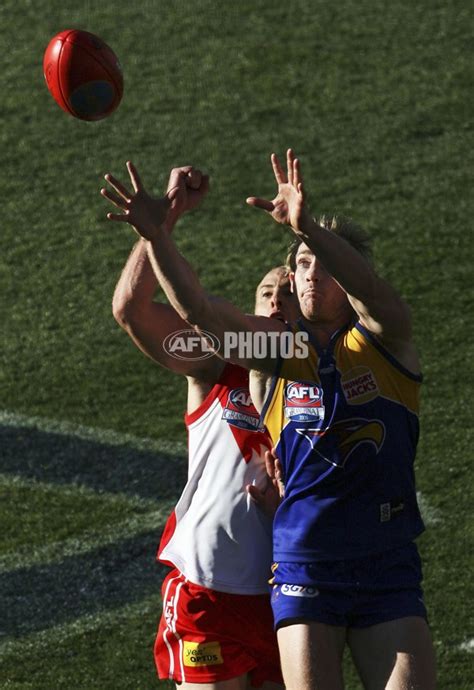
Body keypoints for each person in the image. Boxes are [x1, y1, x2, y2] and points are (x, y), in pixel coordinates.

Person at [110, 151, 437, 690]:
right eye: (301, 263)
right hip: (305, 567)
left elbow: (375, 298)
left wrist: (308, 227)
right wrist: (158, 234)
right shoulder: (280, 351)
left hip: (387, 560)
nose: (307, 276)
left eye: (323, 265)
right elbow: (199, 311)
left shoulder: (388, 340)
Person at [101, 161, 299, 689]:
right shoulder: (214, 363)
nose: (276, 301)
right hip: (208, 595)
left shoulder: (325, 377)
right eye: (265, 294)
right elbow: (132, 310)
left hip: (291, 595)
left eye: (290, 293)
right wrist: (163, 224)